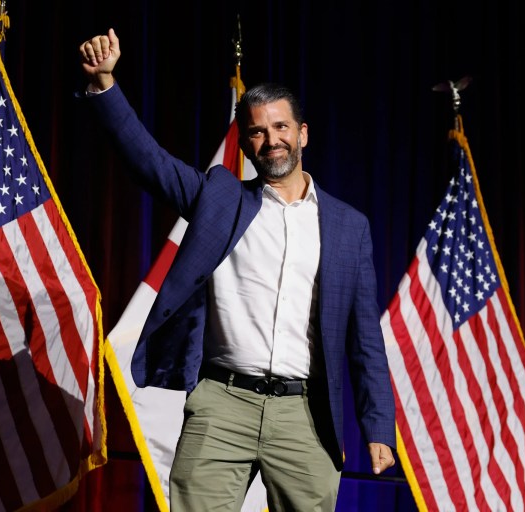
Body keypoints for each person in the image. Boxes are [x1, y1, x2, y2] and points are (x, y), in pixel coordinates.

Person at [79, 28, 396, 512]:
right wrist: (105, 83)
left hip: (305, 414)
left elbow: (365, 337)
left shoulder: (349, 226)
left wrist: (377, 427)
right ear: (246, 144)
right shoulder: (220, 198)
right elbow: (149, 162)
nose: (271, 140)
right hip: (222, 405)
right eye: (257, 132)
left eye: (281, 127)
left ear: (302, 134)